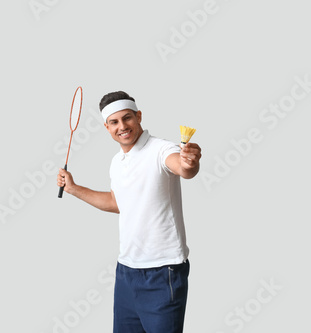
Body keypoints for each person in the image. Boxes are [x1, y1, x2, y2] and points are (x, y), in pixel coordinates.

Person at [57, 91, 202, 333]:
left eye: (127, 118)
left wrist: (190, 162)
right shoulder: (117, 161)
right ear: (107, 127)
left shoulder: (160, 149)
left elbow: (183, 168)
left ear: (139, 116)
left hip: (163, 271)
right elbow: (117, 203)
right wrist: (73, 189)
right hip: (126, 271)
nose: (122, 126)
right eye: (114, 122)